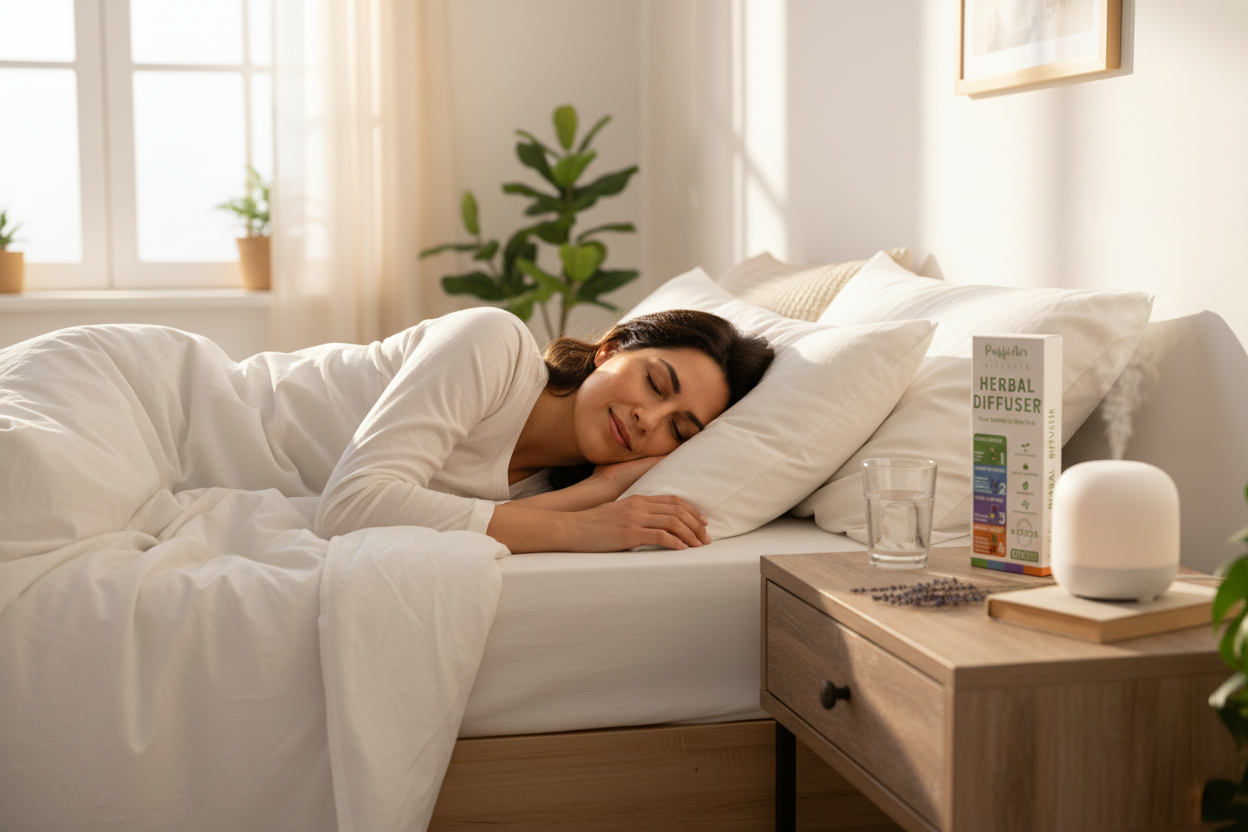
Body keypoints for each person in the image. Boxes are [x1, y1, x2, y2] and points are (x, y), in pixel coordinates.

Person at [314, 306, 773, 553]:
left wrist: (604, 488)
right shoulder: (493, 343)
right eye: (654, 383)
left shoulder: (552, 488)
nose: (648, 421)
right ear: (609, 350)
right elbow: (352, 507)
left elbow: (475, 518)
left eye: (678, 430)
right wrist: (578, 531)